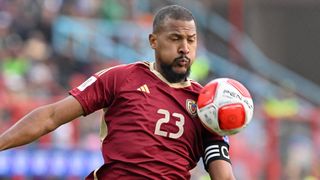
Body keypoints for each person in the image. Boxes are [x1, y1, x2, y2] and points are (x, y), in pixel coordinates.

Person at [0, 5, 235, 180]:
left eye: (191, 40)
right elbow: (51, 117)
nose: (184, 48)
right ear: (153, 41)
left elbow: (222, 172)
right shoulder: (121, 78)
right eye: (175, 38)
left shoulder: (207, 105)